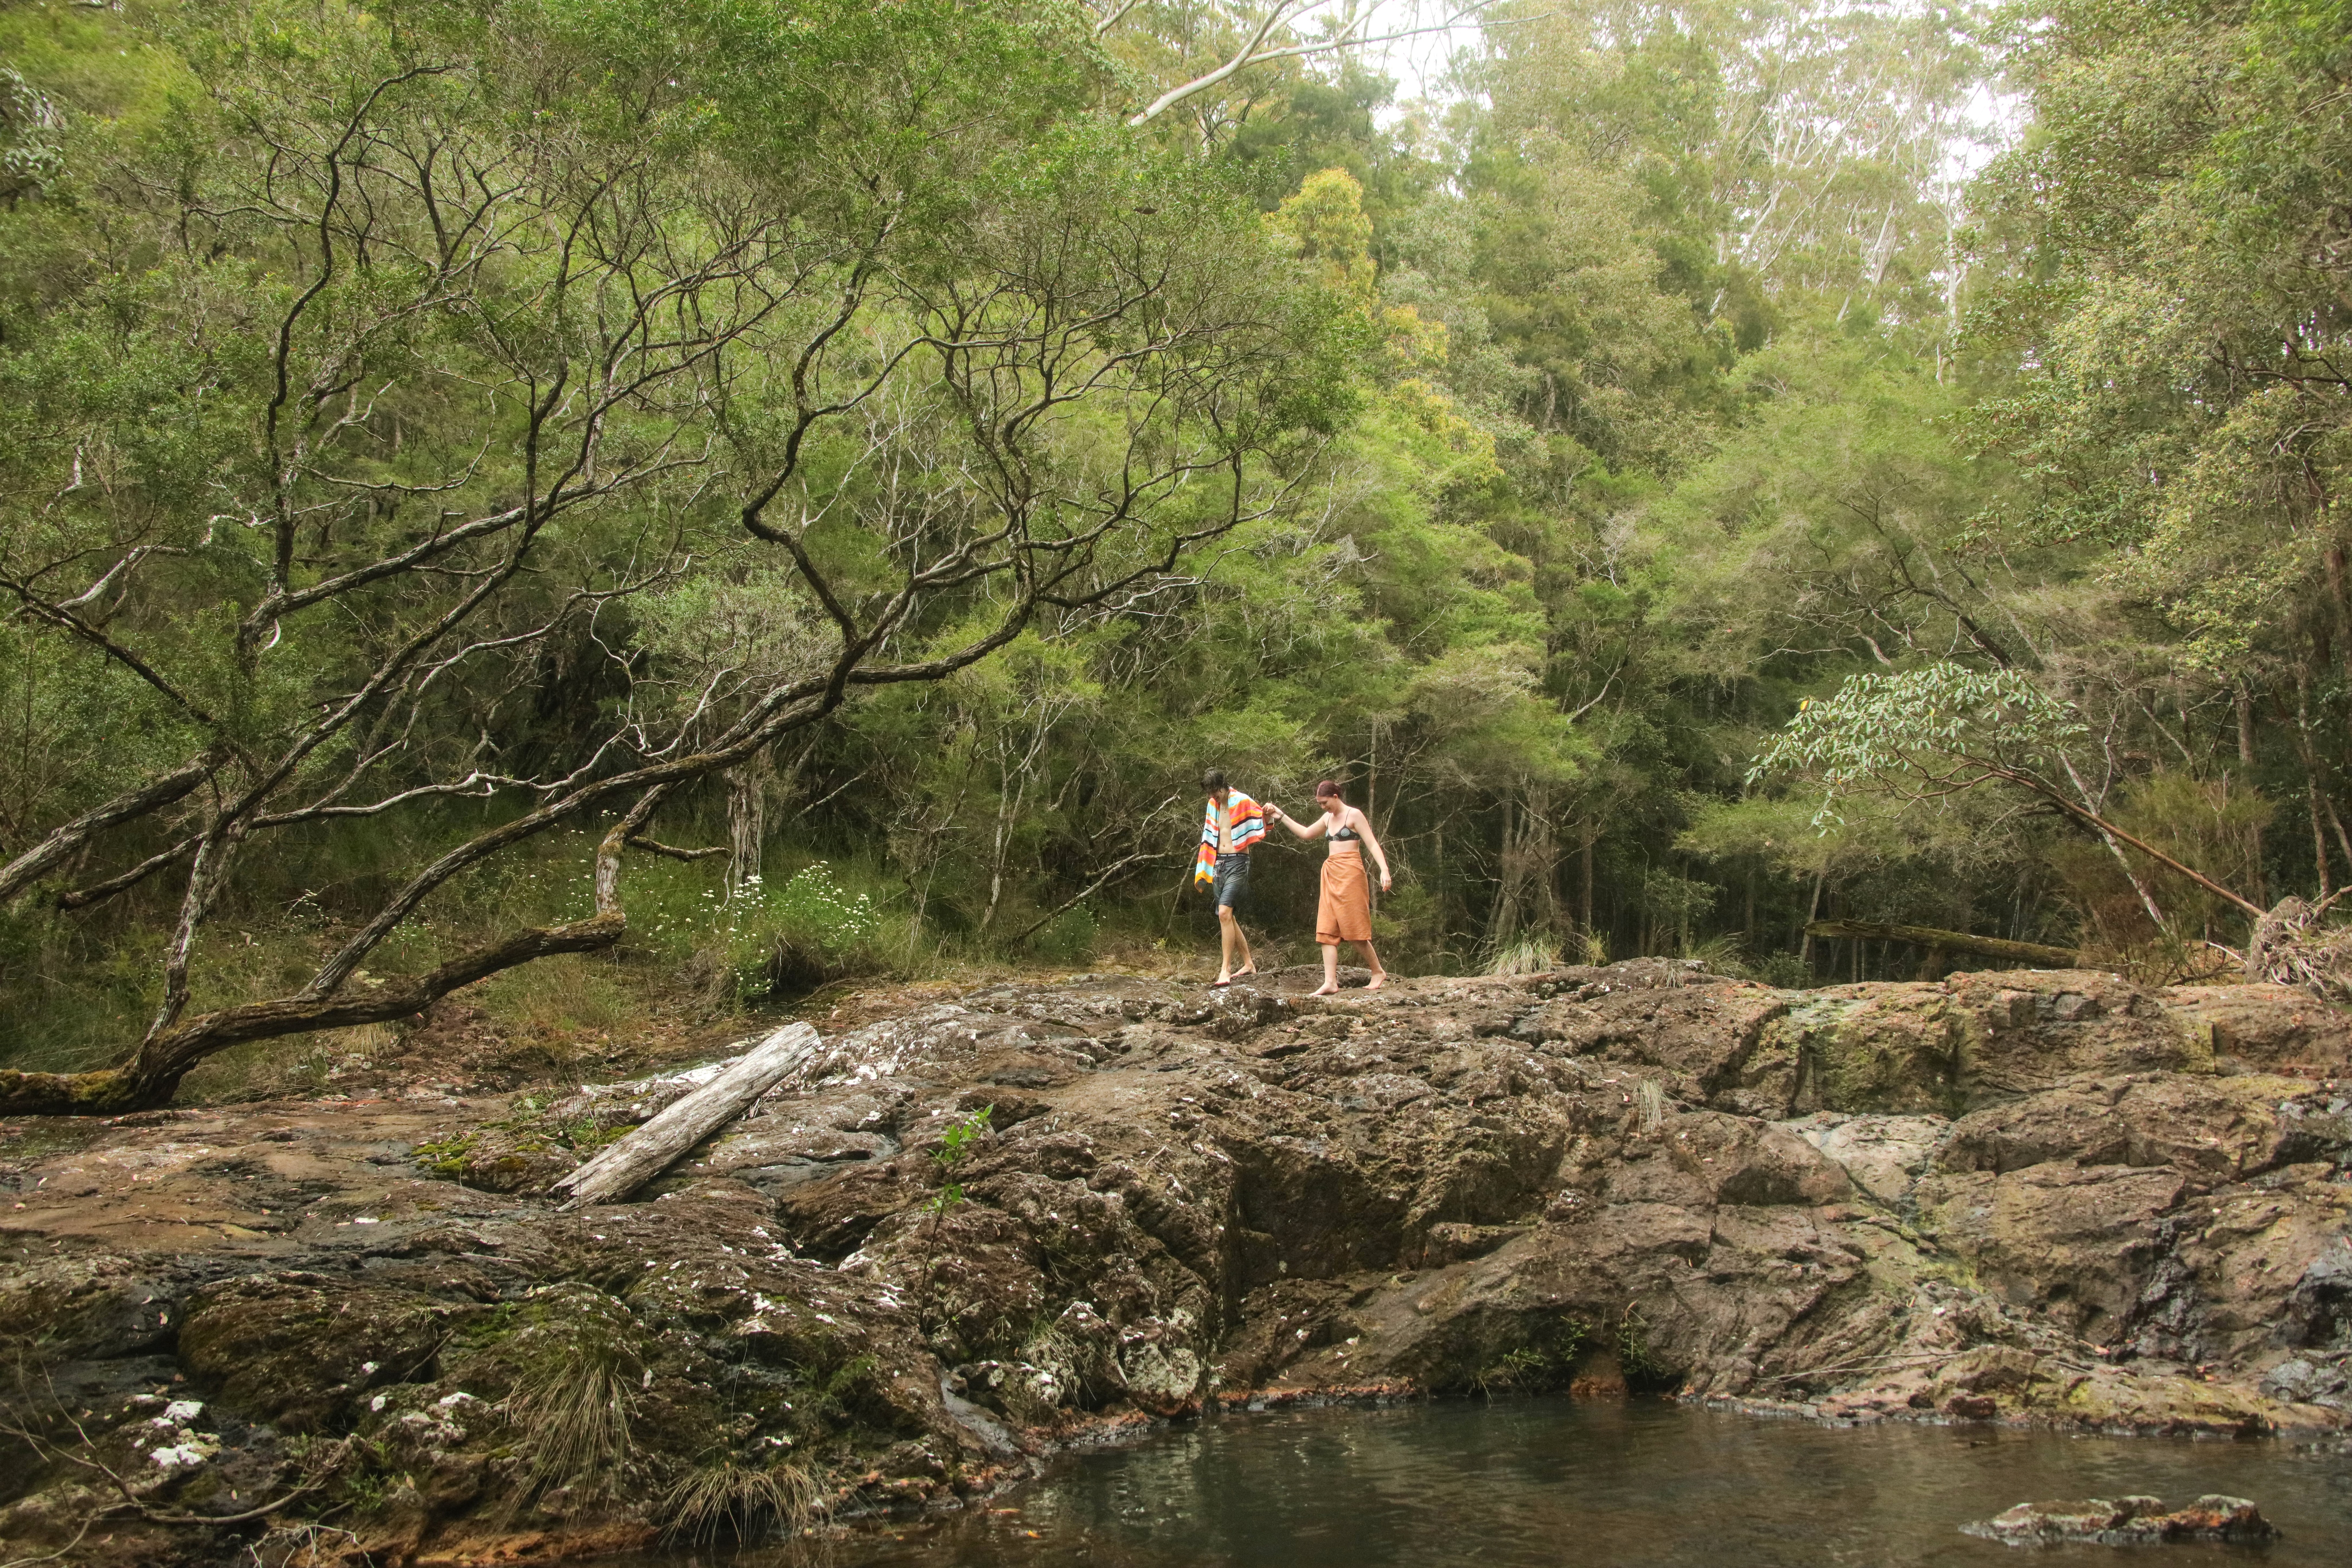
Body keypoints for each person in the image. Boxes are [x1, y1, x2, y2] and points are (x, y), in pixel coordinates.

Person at [1268, 779, 1392, 995]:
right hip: (1331, 872)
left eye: (1325, 803)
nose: (1323, 807)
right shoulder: (1327, 818)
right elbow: (1306, 834)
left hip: (1351, 873)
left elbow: (1372, 843)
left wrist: (1384, 870)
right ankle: (1330, 982)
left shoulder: (1354, 815)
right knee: (1326, 930)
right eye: (1320, 804)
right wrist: (1280, 815)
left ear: (1336, 797)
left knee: (1354, 930)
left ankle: (1378, 971)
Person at [1194, 769, 1265, 987]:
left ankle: (1225, 969)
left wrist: (1270, 814)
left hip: (1238, 862)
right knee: (1228, 917)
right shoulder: (1212, 806)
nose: (1211, 796)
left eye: (1214, 791)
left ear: (1224, 786)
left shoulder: (1242, 800)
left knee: (1224, 912)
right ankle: (1249, 963)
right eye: (1209, 792)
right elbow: (1210, 834)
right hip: (1218, 863)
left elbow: (1261, 817)